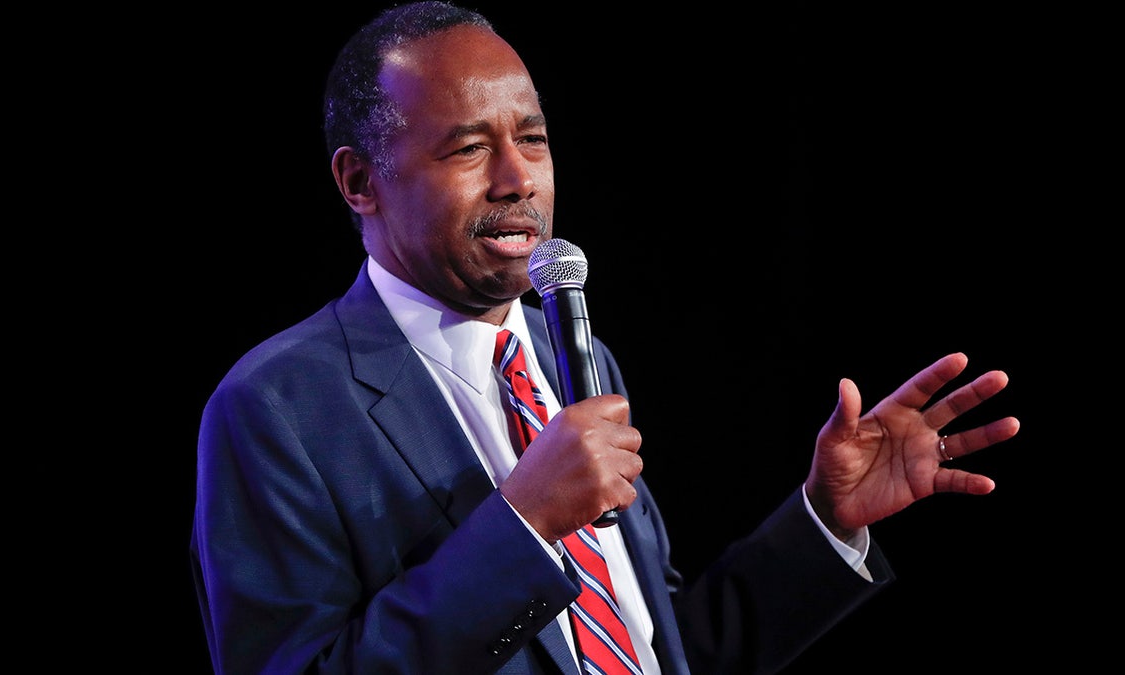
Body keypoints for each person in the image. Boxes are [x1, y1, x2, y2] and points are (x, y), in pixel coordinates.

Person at [189, 2, 1021, 673]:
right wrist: (523, 523)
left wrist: (825, 520)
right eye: (470, 148)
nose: (518, 178)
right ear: (360, 181)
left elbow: (661, 646)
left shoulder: (567, 357)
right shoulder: (277, 410)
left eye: (534, 139)